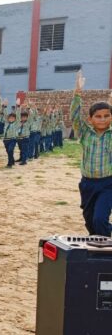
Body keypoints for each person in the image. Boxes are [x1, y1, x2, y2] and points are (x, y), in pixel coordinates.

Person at [70, 71, 112, 237]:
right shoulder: (85, 133)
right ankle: (99, 251)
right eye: (98, 116)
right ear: (90, 119)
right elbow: (74, 116)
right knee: (89, 221)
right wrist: (77, 94)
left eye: (107, 116)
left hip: (108, 184)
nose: (102, 120)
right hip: (87, 184)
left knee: (100, 220)